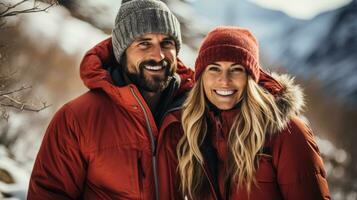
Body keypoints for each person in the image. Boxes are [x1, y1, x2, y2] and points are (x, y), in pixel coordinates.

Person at [28, 0, 193, 199]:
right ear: (121, 52)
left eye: (167, 43)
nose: (158, 56)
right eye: (144, 43)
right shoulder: (77, 118)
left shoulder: (195, 115)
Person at [176, 26, 330, 200]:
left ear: (251, 79)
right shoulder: (194, 134)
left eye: (236, 69)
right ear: (201, 77)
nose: (225, 80)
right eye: (214, 68)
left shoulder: (287, 132)